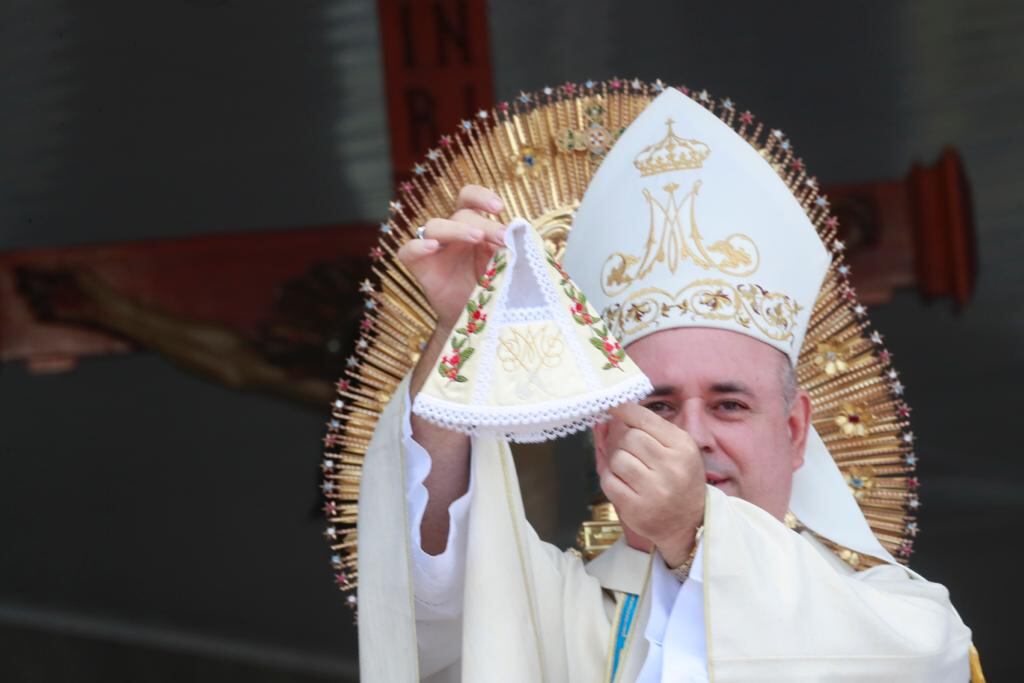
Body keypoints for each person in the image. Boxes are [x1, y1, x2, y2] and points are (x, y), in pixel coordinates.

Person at [356, 87, 973, 682]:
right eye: (659, 405)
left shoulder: (899, 623)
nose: (692, 437)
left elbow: (926, 666)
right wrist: (459, 331)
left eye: (730, 404)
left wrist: (693, 534)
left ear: (794, 431)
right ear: (605, 441)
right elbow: (432, 586)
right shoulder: (556, 615)